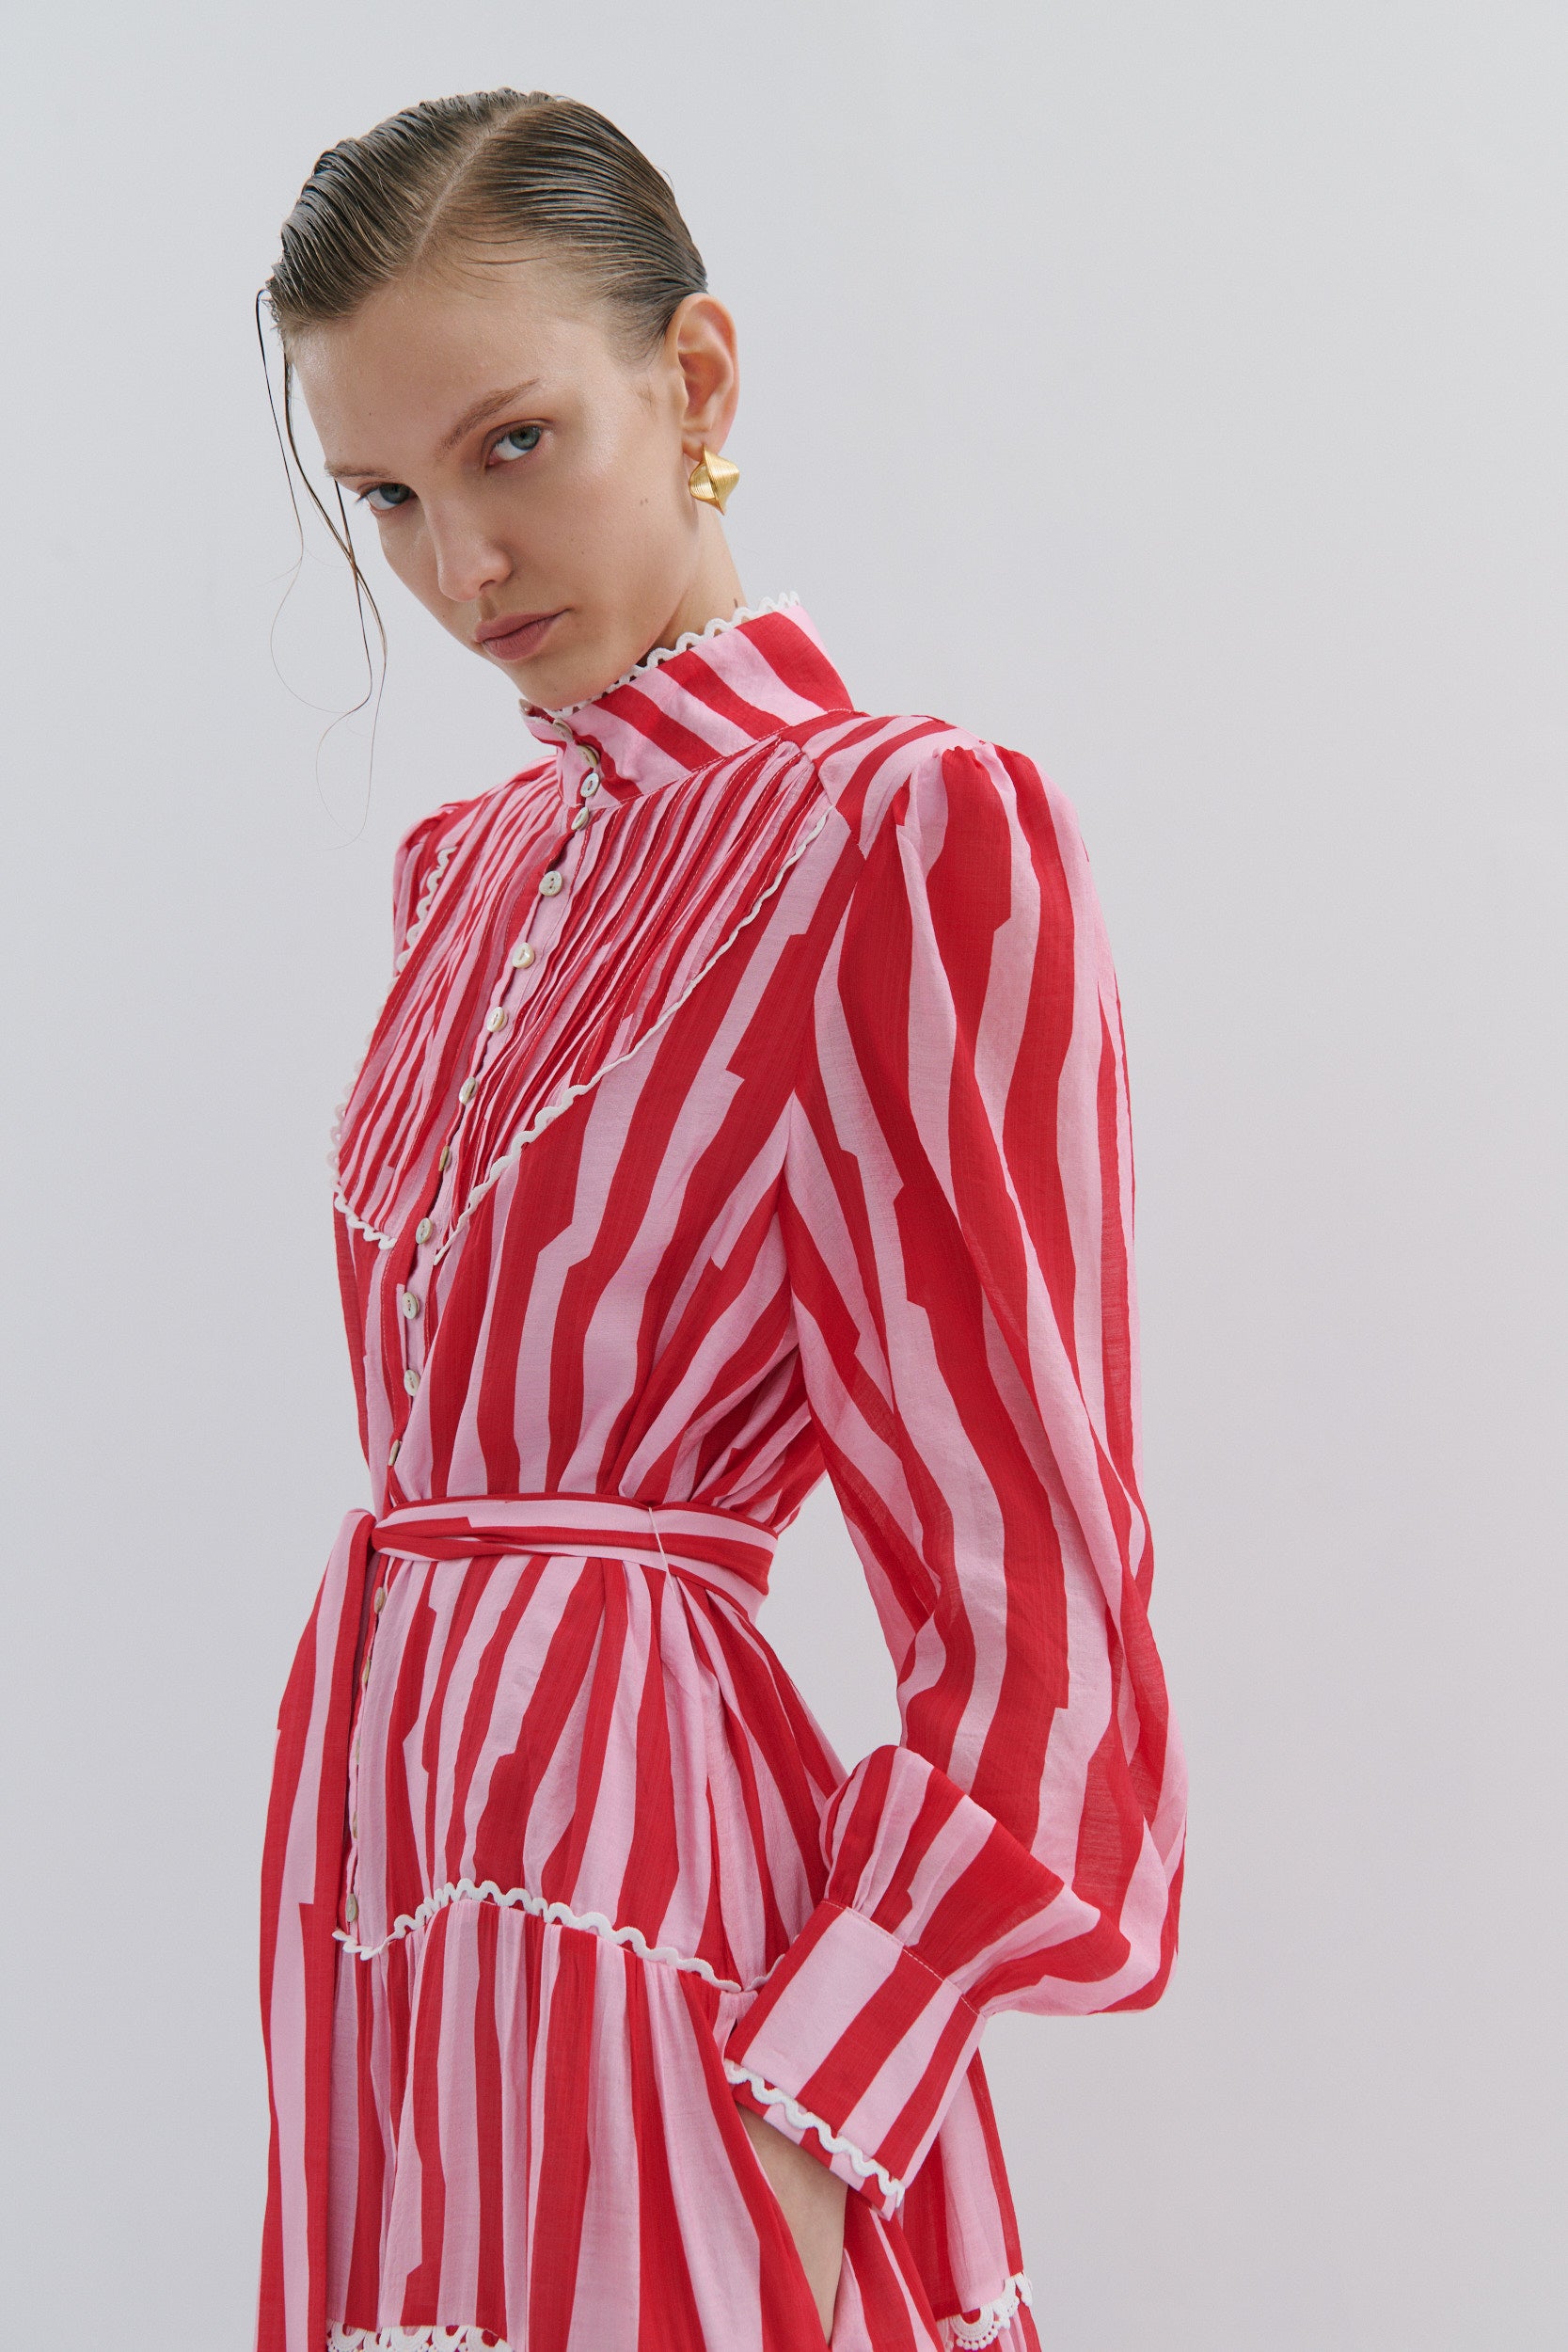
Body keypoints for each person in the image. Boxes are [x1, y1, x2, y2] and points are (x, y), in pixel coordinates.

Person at [254, 88, 1187, 2352]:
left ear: (695, 385)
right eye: (385, 495)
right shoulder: (456, 882)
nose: (461, 571)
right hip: (379, 1897)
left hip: (667, 1945)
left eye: (511, 446)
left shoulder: (907, 834)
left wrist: (817, 2086)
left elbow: (1041, 1591)